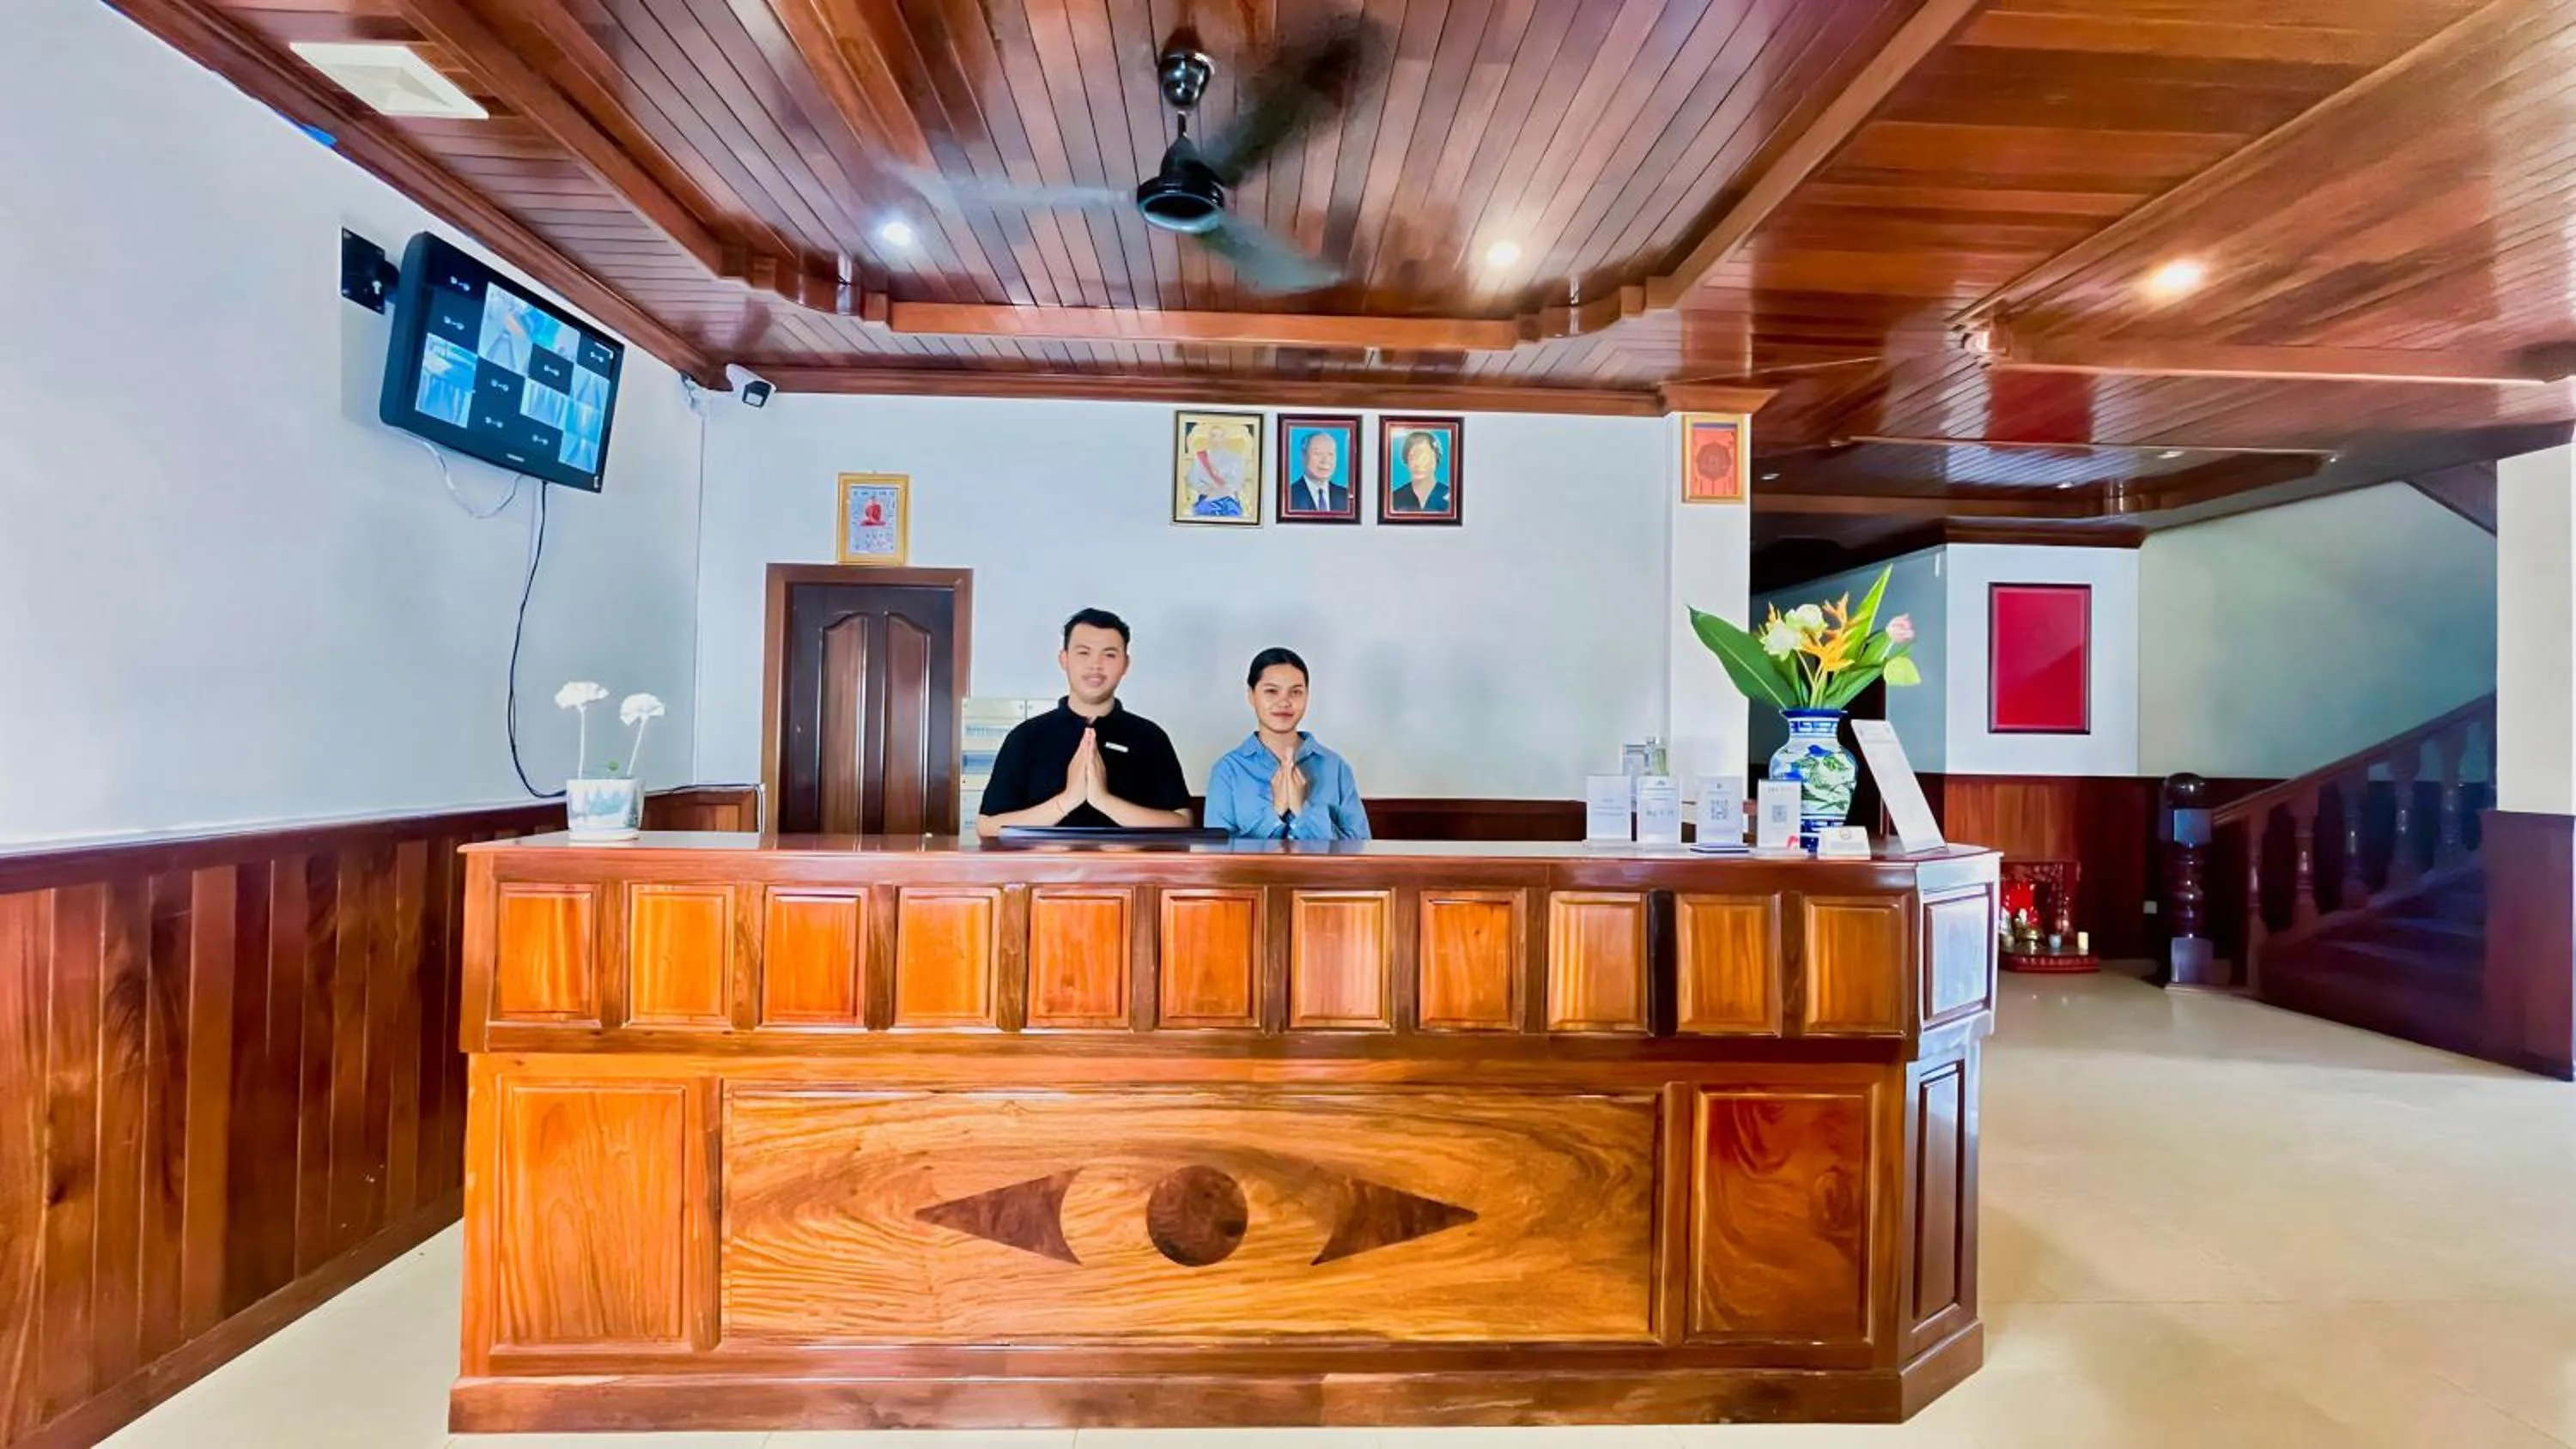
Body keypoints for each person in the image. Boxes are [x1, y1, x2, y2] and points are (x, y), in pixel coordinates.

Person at [975, 609, 1194, 838]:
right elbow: (988, 826)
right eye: (1084, 653)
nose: (1096, 665)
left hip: (1127, 873)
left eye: (1109, 655)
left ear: (1126, 665)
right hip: (1045, 873)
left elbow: (1182, 822)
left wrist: (1104, 800)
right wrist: (1067, 800)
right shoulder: (1026, 737)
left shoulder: (1150, 737)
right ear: (1064, 659)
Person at [1204, 647, 1370, 841]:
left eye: (1296, 692)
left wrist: (1303, 811)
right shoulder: (1228, 770)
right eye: (1272, 691)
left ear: (1307, 695)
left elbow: (1360, 846)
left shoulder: (1335, 767)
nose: (1284, 702)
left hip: (1324, 873)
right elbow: (1217, 853)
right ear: (1251, 694)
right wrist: (1275, 812)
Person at [1387, 429, 1450, 514]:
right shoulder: (1393, 498)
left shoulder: (1451, 496)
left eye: (1424, 456)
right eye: (1413, 456)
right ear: (1406, 460)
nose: (1418, 462)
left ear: (1436, 458)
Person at [1287, 429, 1349, 515]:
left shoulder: (1345, 496)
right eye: (1318, 453)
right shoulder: (1288, 496)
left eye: (1330, 454)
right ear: (1303, 456)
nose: (1325, 460)